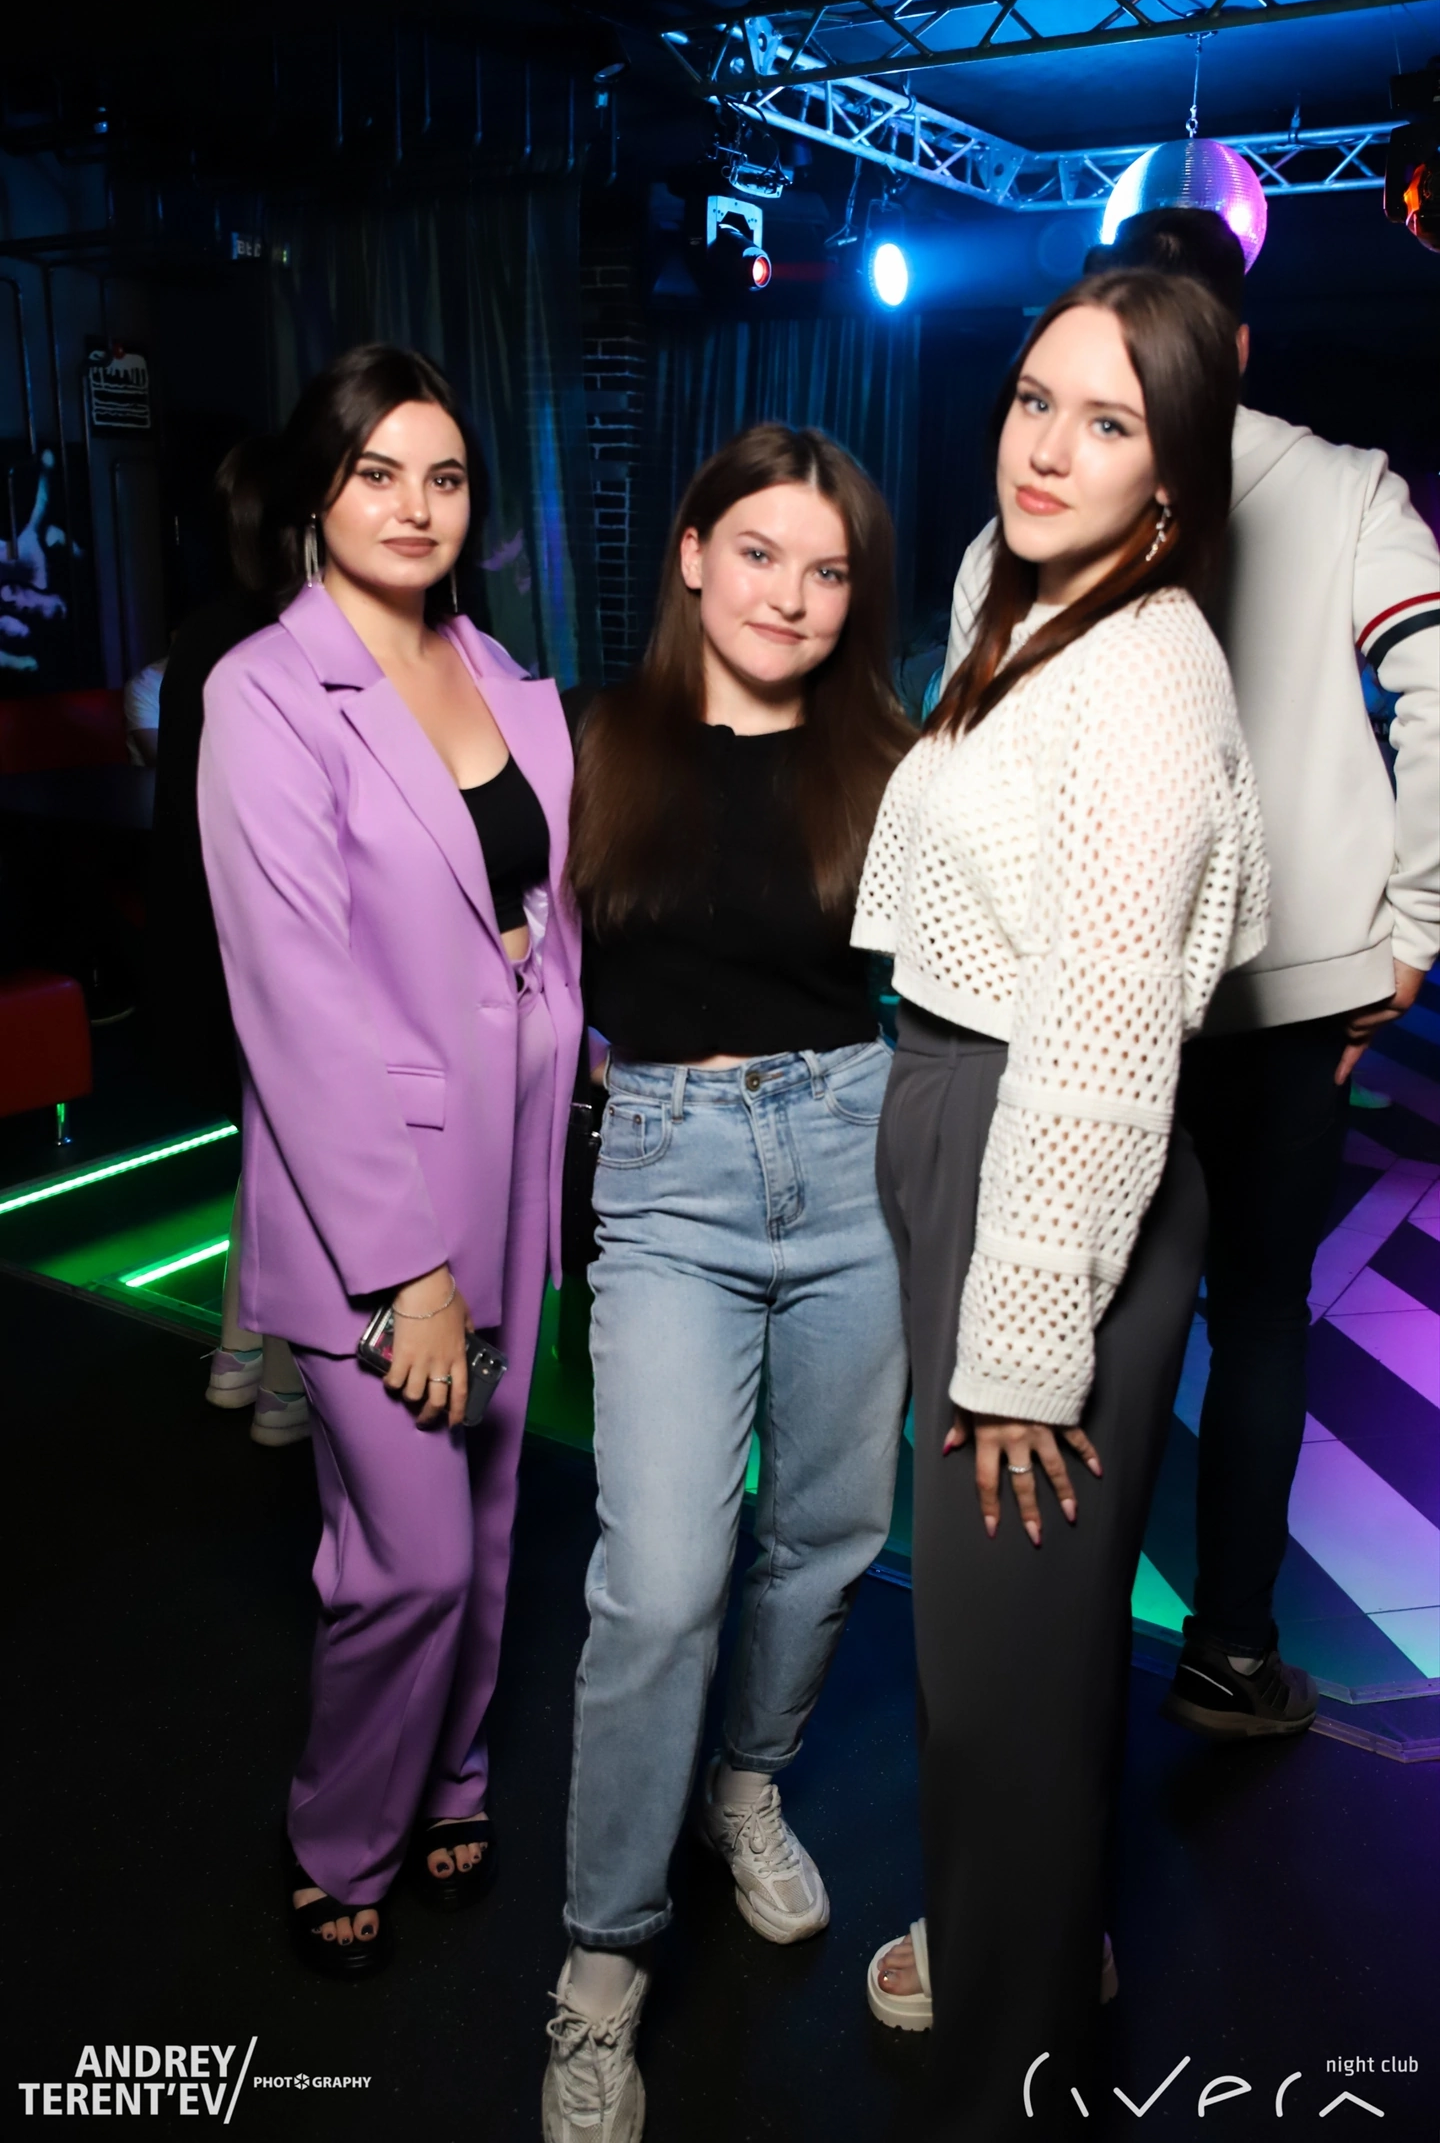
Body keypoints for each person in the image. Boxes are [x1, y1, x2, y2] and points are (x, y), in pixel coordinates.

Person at [855, 270, 1267, 2137]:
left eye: (1110, 423)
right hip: (971, 1112)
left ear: (1173, 473)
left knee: (997, 1666)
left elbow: (1104, 1032)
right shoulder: (1015, 595)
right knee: (1017, 1640)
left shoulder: (1148, 673)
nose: (1047, 448)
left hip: (1040, 1142)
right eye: (1036, 399)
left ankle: (1010, 2052)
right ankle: (1027, 1935)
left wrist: (1024, 1350)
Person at [949, 207, 1439, 1735]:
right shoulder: (1344, 486)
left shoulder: (1039, 513)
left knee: (1087, 1320)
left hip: (1110, 999)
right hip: (1283, 1000)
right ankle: (1226, 1651)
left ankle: (1059, 1674)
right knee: (1260, 1319)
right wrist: (1410, 930)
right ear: (1239, 340)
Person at [541, 424, 914, 2142]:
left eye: (829, 571)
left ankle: (745, 1789)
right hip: (670, 1180)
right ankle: (601, 1969)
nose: (793, 596)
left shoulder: (888, 759)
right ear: (691, 553)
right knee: (662, 1583)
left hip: (854, 1159)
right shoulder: (588, 741)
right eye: (760, 553)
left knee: (829, 1535)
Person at [198, 343, 582, 1973]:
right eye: (377, 474)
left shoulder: (492, 668)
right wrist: (408, 1274)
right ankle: (339, 1831)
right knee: (409, 1558)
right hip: (382, 1215)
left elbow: (530, 905)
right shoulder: (265, 695)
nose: (416, 508)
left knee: (488, 1529)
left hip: (514, 1171)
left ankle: (455, 1776)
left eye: (445, 477)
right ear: (318, 491)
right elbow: (294, 999)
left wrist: (563, 1018)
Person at [147, 437, 311, 1445]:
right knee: (299, 1154)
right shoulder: (289, 645)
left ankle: (242, 1347)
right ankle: (280, 1375)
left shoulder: (206, 636)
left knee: (271, 1145)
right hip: (271, 943)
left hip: (208, 935)